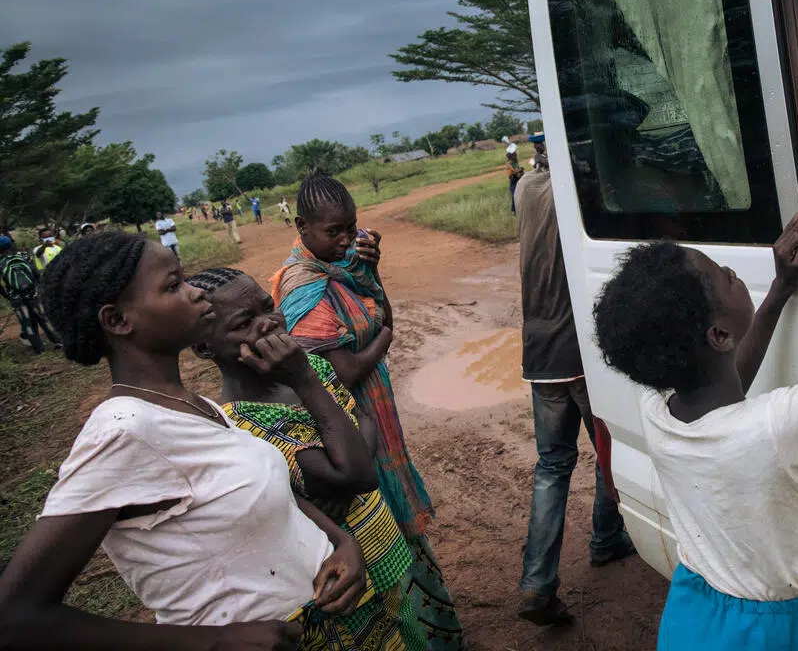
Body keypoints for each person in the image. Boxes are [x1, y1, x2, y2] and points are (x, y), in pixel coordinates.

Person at [0, 231, 371, 649]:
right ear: (118, 321)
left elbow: (267, 490)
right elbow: (15, 615)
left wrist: (341, 542)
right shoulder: (124, 432)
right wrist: (212, 642)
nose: (197, 294)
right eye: (174, 286)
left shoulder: (188, 404)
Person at [593, 202, 798, 650]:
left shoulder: (657, 409)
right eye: (724, 277)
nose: (731, 269)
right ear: (720, 336)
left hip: (695, 615)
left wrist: (780, 290)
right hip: (775, 633)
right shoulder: (780, 424)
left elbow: (729, 384)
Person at [188, 266, 430, 651]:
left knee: (406, 631)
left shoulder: (313, 367)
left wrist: (346, 472)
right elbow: (358, 466)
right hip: (341, 582)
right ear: (205, 347)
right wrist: (305, 384)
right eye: (244, 323)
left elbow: (363, 425)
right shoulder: (240, 423)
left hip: (383, 543)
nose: (268, 324)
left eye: (268, 307)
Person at [271, 175, 465, 650]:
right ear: (302, 228)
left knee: (397, 524)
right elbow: (349, 368)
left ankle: (435, 633)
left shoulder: (346, 270)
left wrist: (372, 281)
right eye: (333, 231)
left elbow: (382, 311)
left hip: (373, 418)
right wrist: (384, 337)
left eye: (350, 228)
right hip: (347, 429)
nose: (345, 239)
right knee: (375, 525)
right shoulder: (305, 288)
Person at [514, 140, 635, 627]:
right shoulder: (580, 192)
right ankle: (606, 538)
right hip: (580, 353)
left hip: (539, 353)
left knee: (552, 466)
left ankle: (537, 581)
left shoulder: (524, 188)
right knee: (613, 449)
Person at [0, 235, 61, 353]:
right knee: (43, 318)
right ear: (11, 244)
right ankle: (58, 341)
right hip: (33, 293)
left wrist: (6, 295)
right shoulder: (24, 256)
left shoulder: (2, 262)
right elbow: (35, 273)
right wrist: (37, 287)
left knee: (26, 321)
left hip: (16, 296)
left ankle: (38, 349)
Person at [506, 144, 523, 213]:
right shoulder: (509, 164)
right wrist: (519, 170)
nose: (516, 154)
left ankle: (518, 209)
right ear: (511, 156)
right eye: (514, 154)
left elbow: (518, 172)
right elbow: (510, 175)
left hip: (518, 180)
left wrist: (520, 171)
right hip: (513, 182)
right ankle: (513, 210)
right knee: (514, 196)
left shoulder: (516, 163)